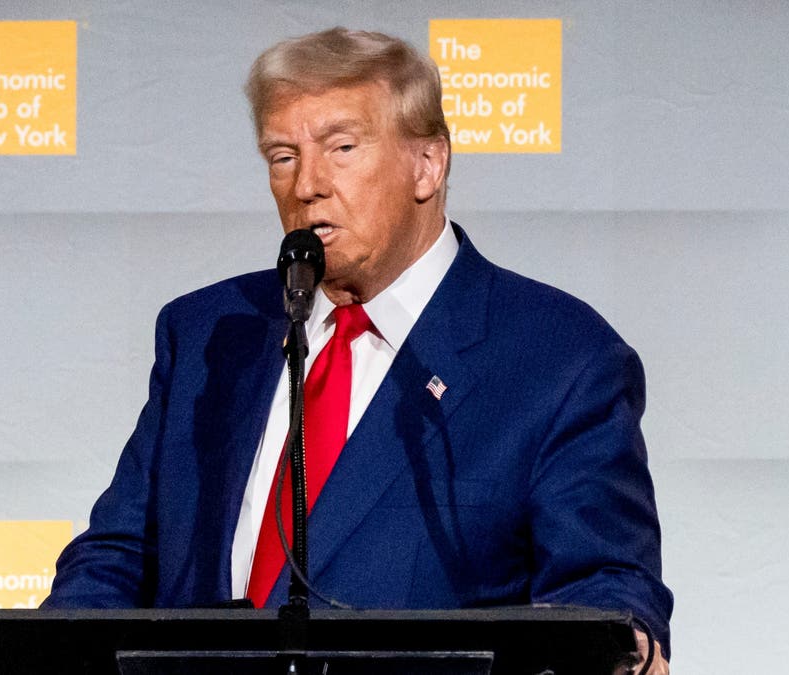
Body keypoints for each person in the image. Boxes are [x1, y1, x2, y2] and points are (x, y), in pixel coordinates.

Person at [42, 27, 673, 673]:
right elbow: (119, 553)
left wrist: (624, 647)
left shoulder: (558, 357)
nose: (307, 184)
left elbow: (604, 589)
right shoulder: (207, 331)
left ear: (428, 164)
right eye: (282, 155)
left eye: (341, 147)